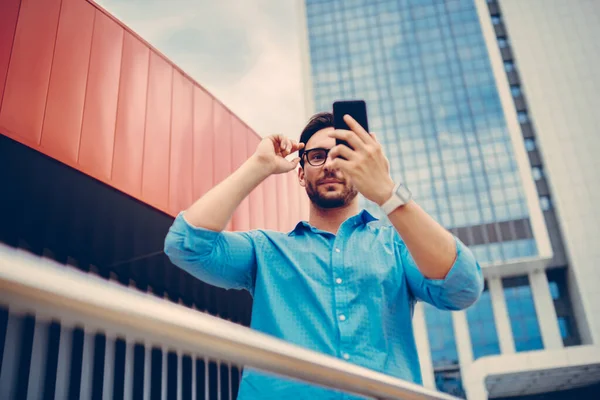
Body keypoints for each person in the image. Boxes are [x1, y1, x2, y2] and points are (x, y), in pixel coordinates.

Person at [164, 112, 483, 399]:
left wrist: (387, 190)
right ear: (301, 174)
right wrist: (258, 167)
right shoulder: (265, 250)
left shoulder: (398, 247)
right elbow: (185, 244)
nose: (330, 164)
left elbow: (462, 288)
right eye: (317, 156)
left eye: (343, 156)